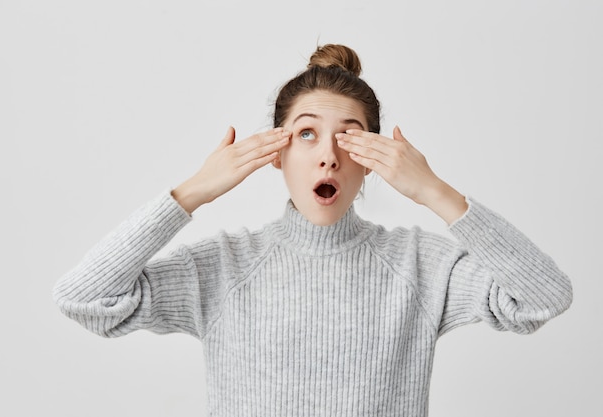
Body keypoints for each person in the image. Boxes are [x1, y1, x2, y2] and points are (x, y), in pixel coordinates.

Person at [53, 44, 573, 416]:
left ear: (374, 160)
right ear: (277, 154)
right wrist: (193, 191)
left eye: (349, 138)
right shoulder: (225, 266)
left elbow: (543, 297)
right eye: (306, 134)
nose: (328, 155)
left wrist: (433, 190)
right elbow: (84, 299)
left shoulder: (419, 264)